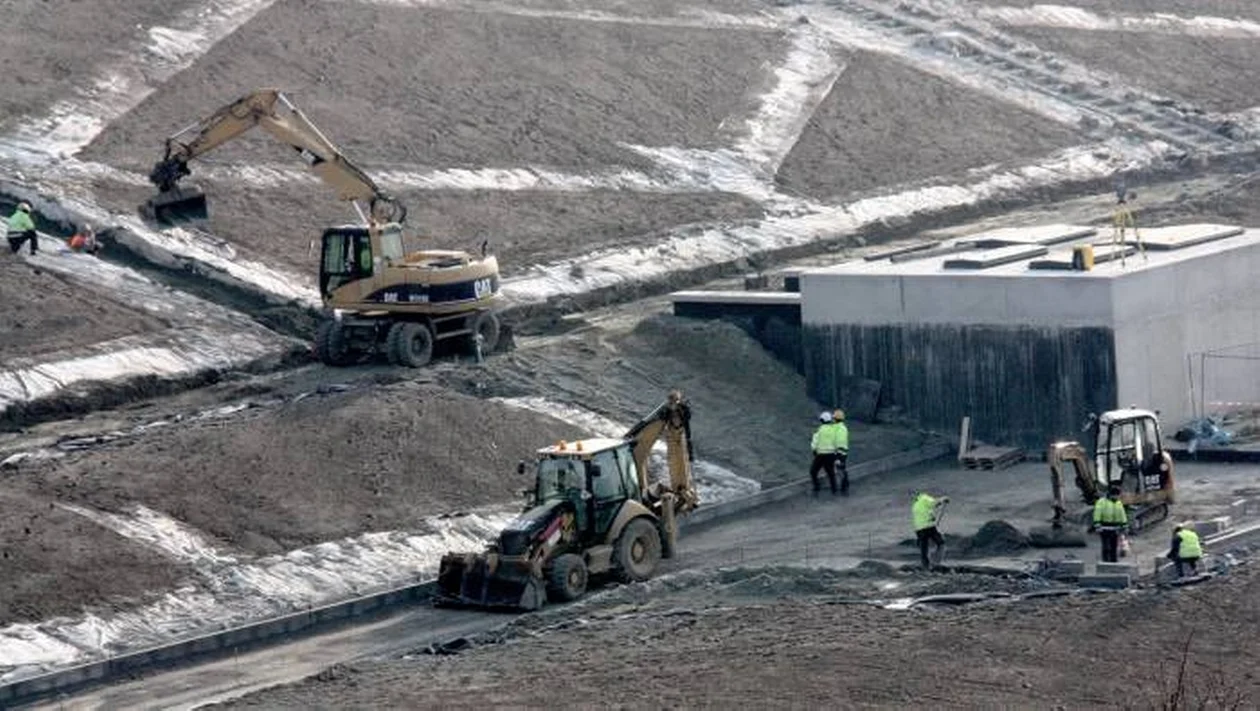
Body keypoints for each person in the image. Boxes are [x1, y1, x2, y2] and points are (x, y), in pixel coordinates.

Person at [1090, 485, 1128, 563]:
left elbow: (1122, 514)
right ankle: (1106, 561)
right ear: (1111, 494)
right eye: (1116, 495)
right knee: (1106, 546)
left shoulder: (1118, 503)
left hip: (1115, 528)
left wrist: (1124, 525)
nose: (1117, 497)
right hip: (1104, 528)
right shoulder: (1102, 502)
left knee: (1114, 546)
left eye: (1118, 495)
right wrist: (1097, 524)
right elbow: (1097, 513)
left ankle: (1114, 561)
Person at [912, 490, 949, 570]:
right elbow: (933, 503)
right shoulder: (924, 498)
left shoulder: (915, 505)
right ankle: (936, 562)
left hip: (919, 530)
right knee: (941, 543)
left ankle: (925, 567)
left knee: (924, 550)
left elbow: (925, 512)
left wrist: (932, 516)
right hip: (928, 527)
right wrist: (943, 499)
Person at [809, 411, 838, 496]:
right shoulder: (834, 430)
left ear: (821, 420)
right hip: (831, 454)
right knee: (831, 472)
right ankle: (834, 489)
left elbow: (814, 444)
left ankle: (816, 487)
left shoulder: (819, 431)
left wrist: (814, 451)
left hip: (821, 455)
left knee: (813, 471)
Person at [832, 409, 850, 496]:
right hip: (843, 452)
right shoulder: (843, 428)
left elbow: (837, 442)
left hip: (838, 453)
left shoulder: (836, 428)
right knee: (842, 469)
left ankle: (844, 487)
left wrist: (837, 456)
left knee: (840, 470)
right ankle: (844, 487)